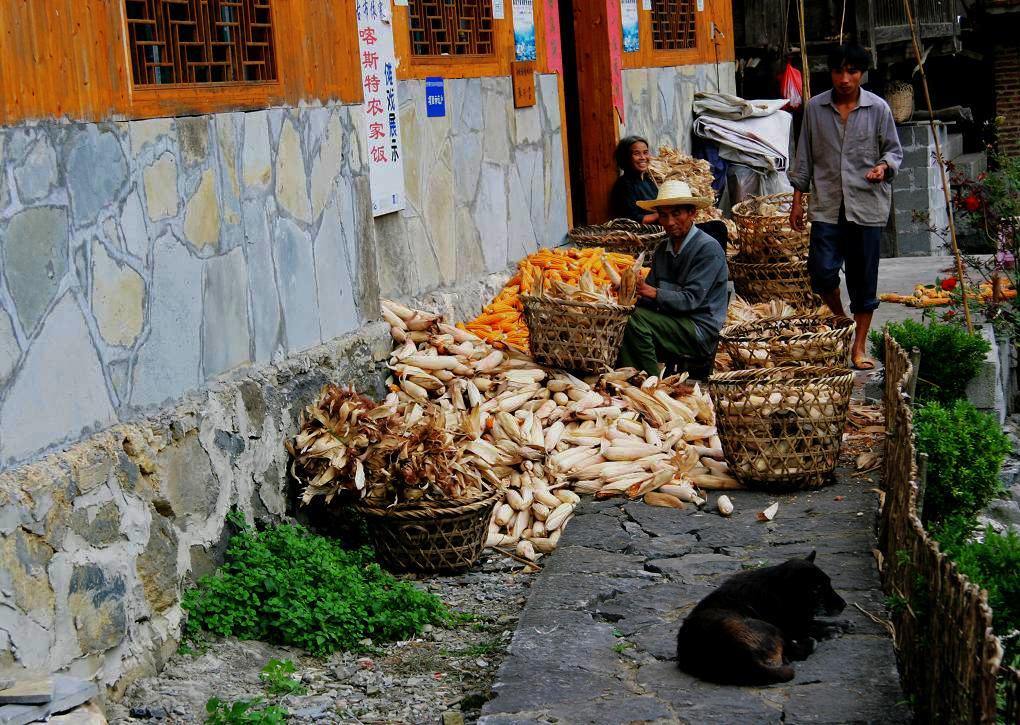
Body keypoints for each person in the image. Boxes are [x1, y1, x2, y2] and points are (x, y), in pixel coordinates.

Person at [788, 43, 903, 370]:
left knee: (863, 279)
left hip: (866, 205)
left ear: (862, 74)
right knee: (821, 271)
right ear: (831, 73)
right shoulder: (814, 108)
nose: (844, 78)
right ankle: (841, 320)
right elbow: (804, 157)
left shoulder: (878, 109)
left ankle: (859, 346)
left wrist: (883, 167)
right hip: (826, 205)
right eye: (839, 71)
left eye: (852, 71)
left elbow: (893, 152)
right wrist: (797, 202)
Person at [616, 180, 729, 378]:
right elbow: (648, 296)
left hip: (698, 327)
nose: (669, 222)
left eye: (677, 214)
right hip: (673, 319)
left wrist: (649, 292)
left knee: (635, 322)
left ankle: (650, 385)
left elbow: (690, 300)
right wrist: (627, 292)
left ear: (692, 213)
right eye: (664, 215)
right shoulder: (662, 249)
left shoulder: (707, 249)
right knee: (624, 317)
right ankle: (632, 377)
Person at [610, 136, 660, 224]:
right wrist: (662, 214)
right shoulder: (624, 185)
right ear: (625, 158)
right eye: (636, 154)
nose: (643, 157)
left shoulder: (648, 180)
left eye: (645, 153)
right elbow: (631, 220)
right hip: (642, 234)